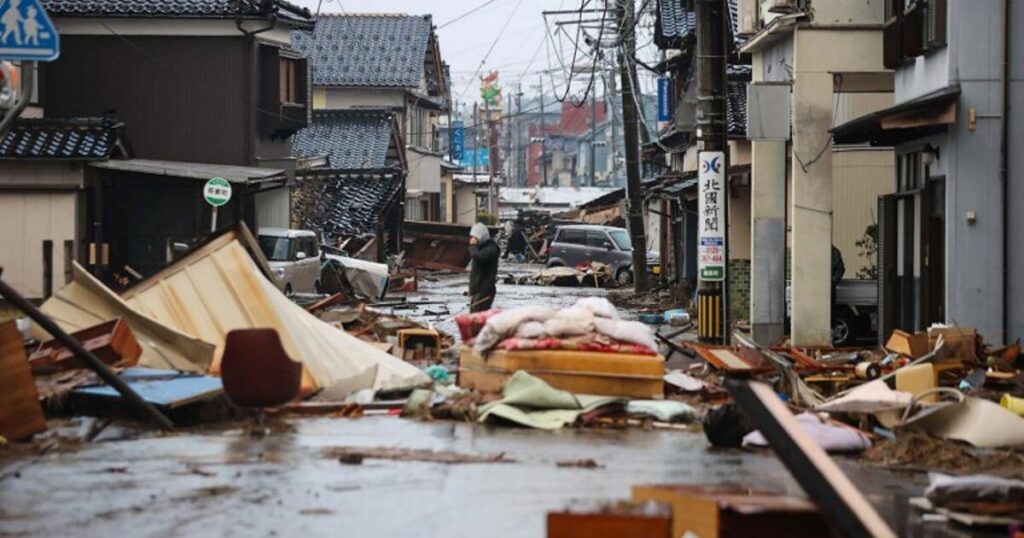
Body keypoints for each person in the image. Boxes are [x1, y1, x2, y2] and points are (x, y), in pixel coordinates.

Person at [468, 222, 500, 312]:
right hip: (478, 289)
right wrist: (471, 291)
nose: (473, 239)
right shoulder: (482, 248)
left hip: (485, 289)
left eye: (475, 237)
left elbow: (480, 257)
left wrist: (473, 246)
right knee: (474, 315)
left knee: (478, 316)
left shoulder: (491, 248)